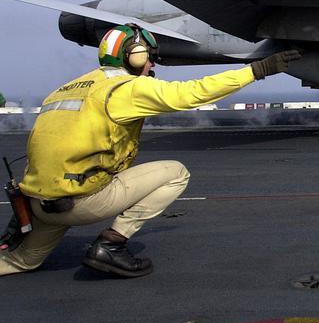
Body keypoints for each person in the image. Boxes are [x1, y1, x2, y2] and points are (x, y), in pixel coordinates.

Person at [0, 24, 300, 278]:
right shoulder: (125, 88)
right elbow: (191, 93)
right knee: (175, 173)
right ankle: (111, 245)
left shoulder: (65, 89)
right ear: (134, 57)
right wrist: (257, 70)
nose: (152, 66)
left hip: (37, 207)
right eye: (150, 58)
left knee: (20, 262)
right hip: (82, 202)